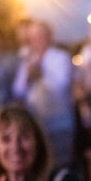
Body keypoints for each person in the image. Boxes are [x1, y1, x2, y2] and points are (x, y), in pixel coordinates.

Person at [12, 20, 76, 168]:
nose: (36, 40)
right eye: (32, 37)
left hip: (60, 124)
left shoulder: (60, 57)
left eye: (40, 36)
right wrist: (27, 78)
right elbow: (18, 91)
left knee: (61, 166)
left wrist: (42, 75)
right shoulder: (28, 61)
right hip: (38, 125)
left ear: (49, 36)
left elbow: (63, 87)